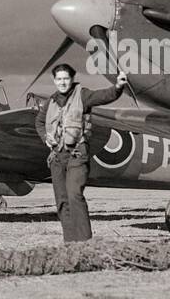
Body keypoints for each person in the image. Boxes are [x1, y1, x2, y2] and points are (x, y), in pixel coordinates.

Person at [34, 64, 128, 242]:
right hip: (56, 157)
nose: (62, 82)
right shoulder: (50, 102)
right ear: (55, 81)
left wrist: (118, 86)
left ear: (71, 79)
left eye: (66, 78)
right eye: (59, 79)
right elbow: (39, 122)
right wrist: (45, 137)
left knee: (74, 194)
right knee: (62, 201)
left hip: (77, 154)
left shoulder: (83, 95)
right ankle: (70, 243)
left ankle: (85, 242)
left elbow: (105, 96)